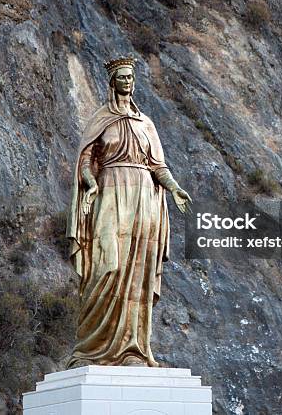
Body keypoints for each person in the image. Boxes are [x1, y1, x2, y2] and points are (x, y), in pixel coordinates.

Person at [66, 56, 192, 368]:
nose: (127, 82)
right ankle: (91, 348)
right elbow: (85, 160)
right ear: (113, 82)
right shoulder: (101, 119)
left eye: (130, 77)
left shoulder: (146, 123)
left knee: (138, 271)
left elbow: (157, 165)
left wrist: (174, 187)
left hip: (144, 199)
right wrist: (89, 181)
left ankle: (133, 349)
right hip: (110, 191)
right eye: (121, 77)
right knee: (106, 264)